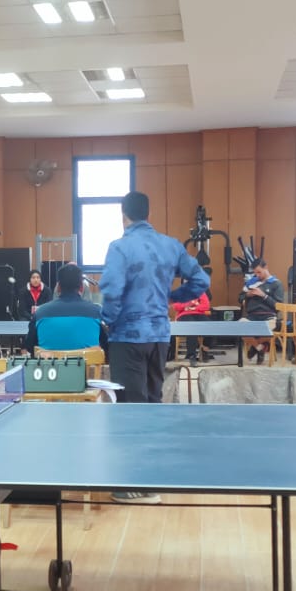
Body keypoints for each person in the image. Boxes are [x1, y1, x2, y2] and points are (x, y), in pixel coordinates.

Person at [100, 191, 209, 505]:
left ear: (124, 216)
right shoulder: (171, 245)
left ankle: (135, 483)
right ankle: (151, 477)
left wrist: (108, 319)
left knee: (130, 409)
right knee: (151, 402)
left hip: (127, 336)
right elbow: (201, 281)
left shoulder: (119, 247)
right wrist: (172, 298)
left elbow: (112, 290)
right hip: (160, 335)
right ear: (148, 214)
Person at [28, 263, 106, 354]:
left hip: (51, 363)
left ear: (58, 287)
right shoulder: (97, 312)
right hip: (88, 363)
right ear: (81, 288)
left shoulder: (39, 313)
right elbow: (106, 346)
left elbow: (30, 346)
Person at [239, 259, 283, 364]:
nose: (257, 275)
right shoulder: (251, 283)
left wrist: (263, 295)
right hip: (252, 316)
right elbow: (240, 298)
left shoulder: (276, 283)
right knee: (239, 327)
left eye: (259, 272)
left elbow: (278, 306)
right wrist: (248, 294)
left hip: (268, 316)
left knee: (268, 330)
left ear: (266, 268)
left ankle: (255, 348)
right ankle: (260, 348)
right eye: (255, 273)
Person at [170, 287, 210, 366]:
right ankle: (192, 356)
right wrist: (187, 304)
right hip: (183, 315)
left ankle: (205, 348)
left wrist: (194, 308)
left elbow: (206, 306)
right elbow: (176, 306)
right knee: (192, 326)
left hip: (198, 313)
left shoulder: (201, 292)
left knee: (211, 325)